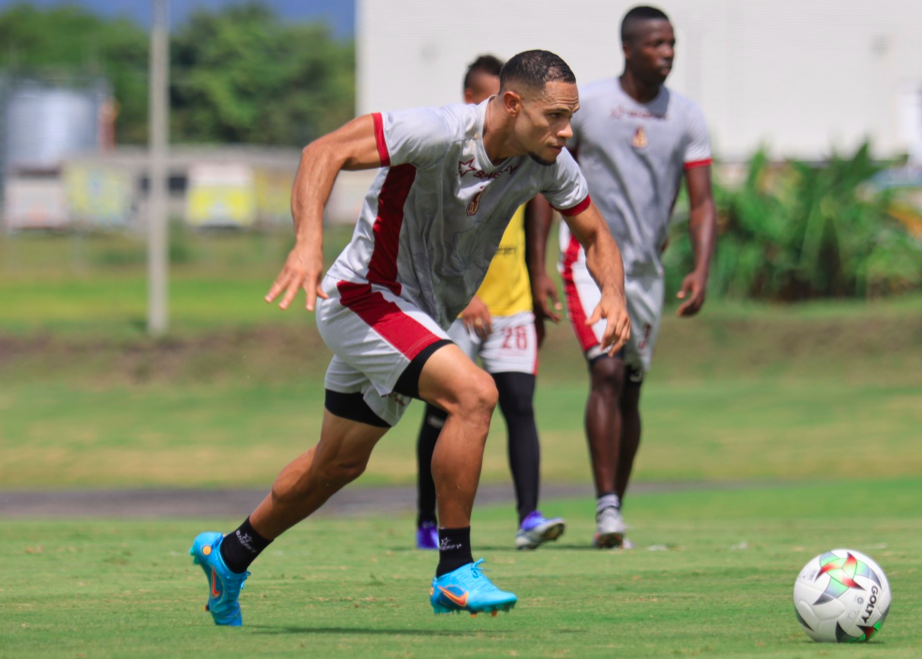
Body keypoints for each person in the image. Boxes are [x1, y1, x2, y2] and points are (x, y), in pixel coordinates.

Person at [190, 49, 631, 625]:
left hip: (417, 319)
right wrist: (306, 244)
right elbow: (323, 151)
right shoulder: (438, 131)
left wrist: (614, 295)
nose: (566, 130)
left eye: (571, 116)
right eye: (555, 116)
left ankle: (230, 554)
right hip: (362, 298)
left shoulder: (547, 161)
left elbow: (595, 234)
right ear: (513, 103)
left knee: (337, 466)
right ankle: (454, 570)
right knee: (474, 394)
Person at [530, 6, 717, 549]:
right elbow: (547, 178)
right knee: (607, 373)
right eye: (657, 43)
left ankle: (614, 507)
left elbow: (703, 205)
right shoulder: (590, 108)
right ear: (629, 49)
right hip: (587, 260)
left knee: (631, 386)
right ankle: (607, 510)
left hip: (645, 273)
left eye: (672, 43)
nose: (668, 52)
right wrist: (538, 265)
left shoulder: (687, 116)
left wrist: (702, 267)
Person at [415, 55, 565, 552]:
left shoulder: (525, 157)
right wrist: (466, 296)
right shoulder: (447, 155)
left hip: (513, 301)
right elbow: (432, 237)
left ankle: (529, 517)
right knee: (441, 414)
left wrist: (539, 274)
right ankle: (427, 521)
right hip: (457, 305)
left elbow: (545, 209)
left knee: (520, 405)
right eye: (486, 96)